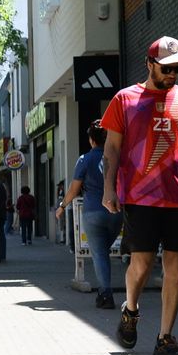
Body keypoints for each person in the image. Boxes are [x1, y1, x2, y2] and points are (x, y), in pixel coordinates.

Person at [101, 35, 178, 355]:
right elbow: (113, 148)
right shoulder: (125, 99)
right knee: (142, 263)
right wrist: (108, 188)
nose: (173, 74)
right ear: (150, 65)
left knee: (176, 264)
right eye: (167, 68)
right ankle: (130, 309)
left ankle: (165, 338)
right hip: (139, 194)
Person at [56, 121, 121, 309]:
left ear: (92, 140)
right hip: (117, 211)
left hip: (93, 211)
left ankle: (106, 293)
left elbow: (74, 188)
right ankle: (105, 290)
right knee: (103, 252)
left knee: (99, 253)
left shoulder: (85, 159)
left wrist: (62, 206)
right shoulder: (118, 156)